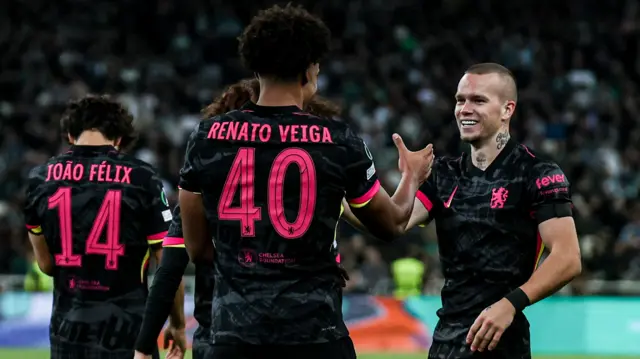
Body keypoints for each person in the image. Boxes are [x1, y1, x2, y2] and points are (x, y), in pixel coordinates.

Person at [178, 4, 434, 359]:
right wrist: (412, 176)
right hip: (316, 334)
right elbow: (391, 223)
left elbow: (198, 249)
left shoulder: (208, 136)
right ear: (309, 70)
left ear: (254, 66)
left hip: (234, 334)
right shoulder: (337, 139)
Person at [362, 63, 581, 358]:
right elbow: (390, 224)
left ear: (507, 110)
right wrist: (344, 195)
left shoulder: (537, 173)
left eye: (478, 100)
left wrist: (510, 303)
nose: (465, 108)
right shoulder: (444, 174)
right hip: (445, 343)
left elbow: (567, 258)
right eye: (460, 100)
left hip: (502, 342)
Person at [134, 79, 347, 359]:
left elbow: (169, 272)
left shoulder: (202, 199)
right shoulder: (316, 193)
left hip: (223, 336)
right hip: (307, 332)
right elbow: (380, 219)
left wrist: (144, 347)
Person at [23, 95, 183, 359]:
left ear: (71, 136)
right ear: (119, 138)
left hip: (68, 335)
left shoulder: (39, 179)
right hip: (128, 333)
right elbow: (168, 263)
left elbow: (47, 266)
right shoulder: (143, 177)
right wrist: (176, 323)